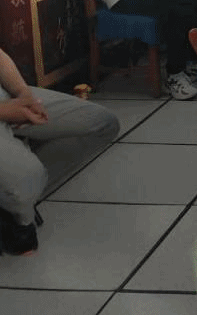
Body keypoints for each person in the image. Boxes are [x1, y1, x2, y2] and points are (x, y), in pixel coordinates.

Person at [0, 46, 119, 255]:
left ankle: (14, 198)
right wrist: (6, 112)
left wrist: (25, 95)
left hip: (5, 95)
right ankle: (18, 202)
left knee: (103, 124)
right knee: (27, 179)